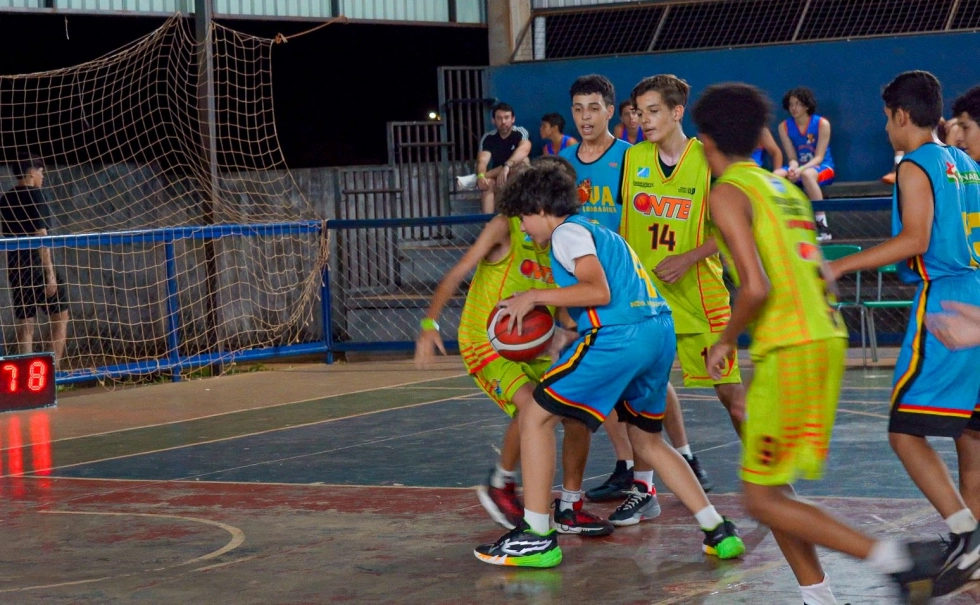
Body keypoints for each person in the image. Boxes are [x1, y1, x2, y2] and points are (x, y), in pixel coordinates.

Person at [693, 80, 962, 605]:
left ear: (705, 141)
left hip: (793, 344)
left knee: (761, 497)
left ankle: (895, 560)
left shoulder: (728, 192)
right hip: (819, 337)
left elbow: (754, 287)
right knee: (768, 487)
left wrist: (726, 343)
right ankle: (818, 596)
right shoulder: (784, 188)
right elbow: (816, 273)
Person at [474, 162, 745, 568]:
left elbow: (596, 290)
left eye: (525, 218)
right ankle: (717, 530)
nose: (525, 229)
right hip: (657, 332)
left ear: (541, 207)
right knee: (649, 443)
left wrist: (534, 296)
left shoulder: (566, 234)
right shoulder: (602, 233)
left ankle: (536, 535)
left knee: (534, 416)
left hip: (621, 337)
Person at [828, 70, 980, 598]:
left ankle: (967, 534)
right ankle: (972, 547)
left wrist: (840, 266)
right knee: (971, 432)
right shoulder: (965, 163)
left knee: (903, 430)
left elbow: (914, 238)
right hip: (976, 290)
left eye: (886, 120)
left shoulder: (916, 164)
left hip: (946, 300)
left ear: (898, 115)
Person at [416, 155, 612, 538]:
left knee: (577, 416)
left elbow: (566, 297)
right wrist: (429, 324)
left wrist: (564, 334)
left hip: (534, 345)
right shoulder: (505, 226)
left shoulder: (563, 236)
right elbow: (457, 272)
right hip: (488, 343)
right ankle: (502, 482)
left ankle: (570, 506)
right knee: (531, 407)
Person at [559, 74, 716, 517]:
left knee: (655, 382)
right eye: (578, 108)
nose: (586, 116)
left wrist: (687, 255)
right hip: (596, 289)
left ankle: (683, 456)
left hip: (646, 286)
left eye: (594, 107)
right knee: (621, 384)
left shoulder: (633, 156)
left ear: (611, 111)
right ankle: (632, 468)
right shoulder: (565, 163)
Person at [615, 74, 747, 497]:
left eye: (653, 112)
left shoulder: (707, 161)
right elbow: (625, 225)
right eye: (639, 112)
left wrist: (689, 257)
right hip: (645, 298)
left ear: (676, 112)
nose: (644, 121)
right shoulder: (633, 158)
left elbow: (735, 228)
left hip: (699, 296)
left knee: (732, 396)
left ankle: (768, 480)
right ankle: (643, 491)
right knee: (638, 395)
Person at [0, 154, 69, 368]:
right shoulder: (36, 195)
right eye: (41, 172)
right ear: (31, 172)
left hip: (16, 268)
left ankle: (26, 381)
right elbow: (41, 235)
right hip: (37, 267)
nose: (42, 176)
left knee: (26, 324)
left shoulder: (5, 199)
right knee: (60, 317)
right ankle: (53, 372)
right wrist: (49, 272)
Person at [775, 87, 835, 241]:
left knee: (807, 175)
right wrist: (794, 168)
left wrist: (800, 170)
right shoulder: (784, 127)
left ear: (806, 106)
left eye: (797, 104)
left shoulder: (822, 124)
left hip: (822, 168)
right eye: (791, 104)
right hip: (799, 167)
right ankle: (781, 223)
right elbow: (792, 157)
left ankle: (823, 226)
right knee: (775, 176)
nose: (793, 108)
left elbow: (819, 157)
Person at [459, 102, 531, 214]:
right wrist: (482, 176)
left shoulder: (520, 132)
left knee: (523, 162)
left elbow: (525, 149)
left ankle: (474, 179)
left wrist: (507, 166)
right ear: (493, 120)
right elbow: (482, 160)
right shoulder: (488, 137)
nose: (503, 122)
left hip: (519, 179)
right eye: (499, 118)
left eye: (506, 118)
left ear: (513, 119)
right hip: (499, 181)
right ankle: (488, 223)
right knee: (487, 183)